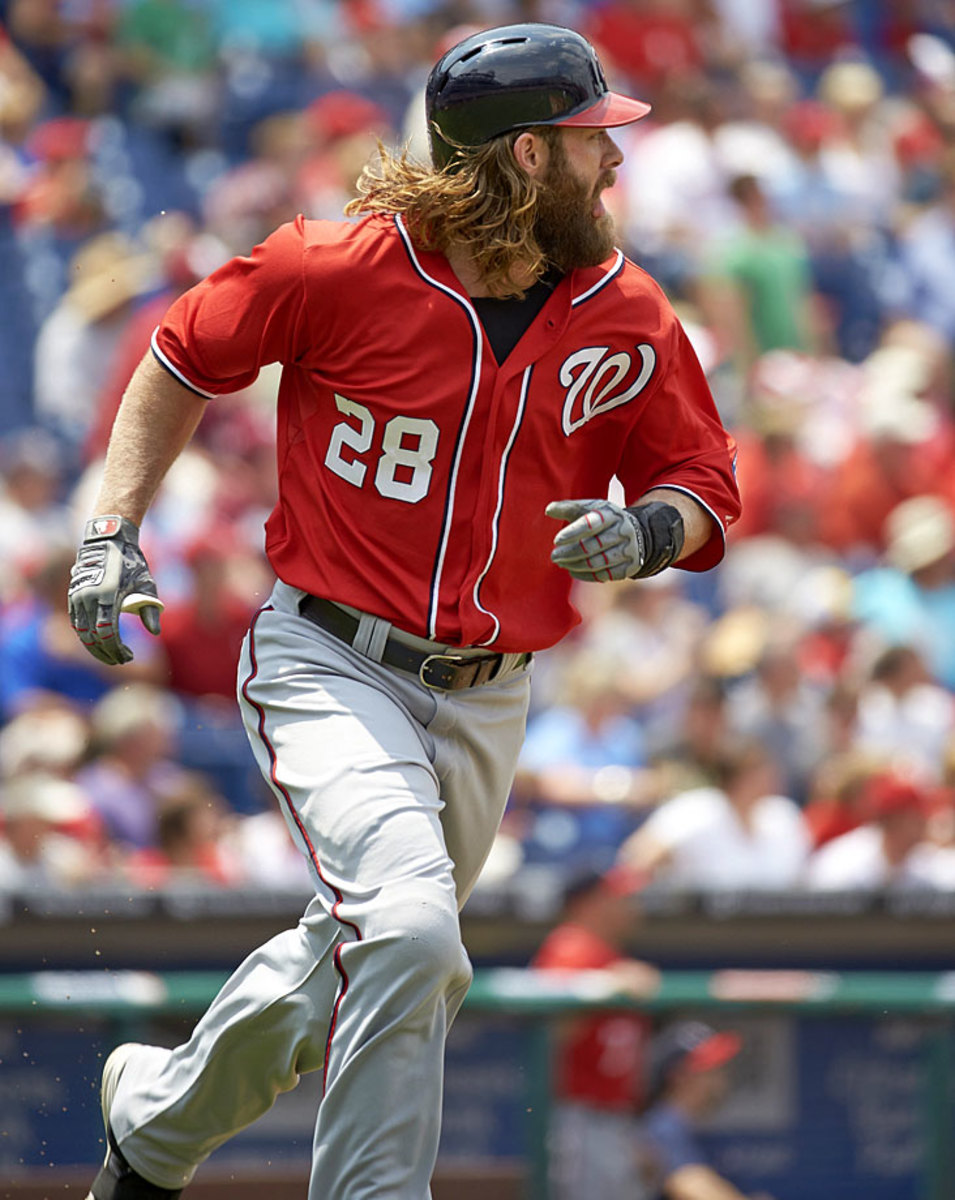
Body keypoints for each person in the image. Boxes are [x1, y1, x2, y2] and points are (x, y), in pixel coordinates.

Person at [66, 23, 740, 1200]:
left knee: (364, 949)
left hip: (491, 695)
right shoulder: (335, 265)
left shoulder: (623, 307)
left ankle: (157, 1125)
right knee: (417, 935)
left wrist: (650, 530)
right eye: (591, 142)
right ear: (527, 158)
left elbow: (705, 483)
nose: (614, 164)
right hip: (333, 657)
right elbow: (179, 357)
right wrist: (111, 529)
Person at [531, 863, 660, 1200]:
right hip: (577, 1116)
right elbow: (555, 1031)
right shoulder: (570, 947)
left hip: (611, 1117)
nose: (632, 907)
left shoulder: (606, 956)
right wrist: (607, 984)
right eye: (618, 897)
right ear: (588, 902)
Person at [638, 1019, 754, 1200]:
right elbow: (689, 1184)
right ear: (679, 1076)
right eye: (710, 1069)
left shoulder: (684, 1125)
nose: (720, 1078)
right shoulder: (662, 1124)